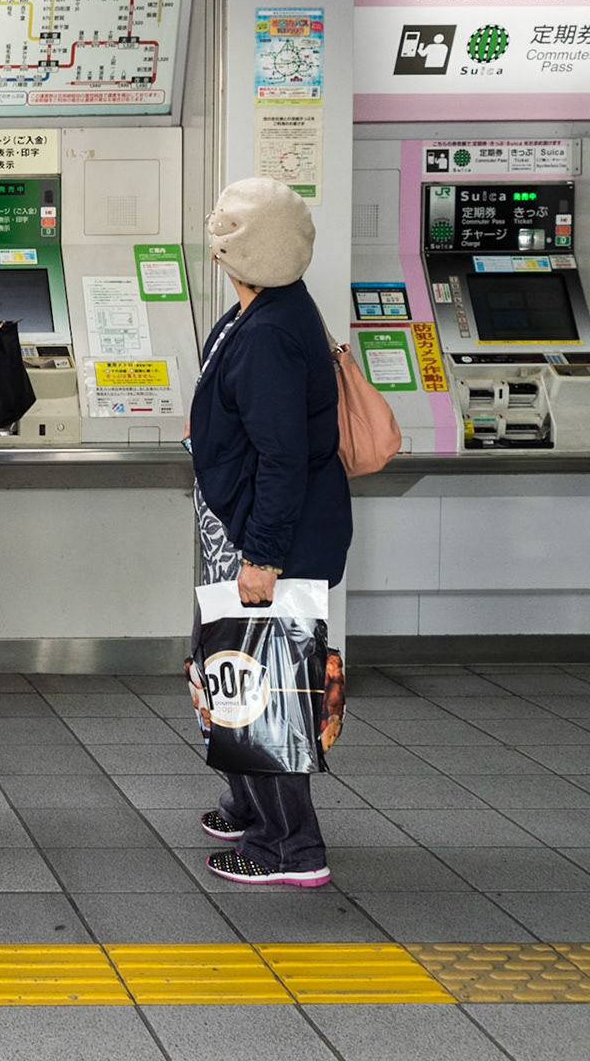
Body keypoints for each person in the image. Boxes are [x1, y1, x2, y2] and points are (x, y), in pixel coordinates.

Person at [191, 176, 351, 887]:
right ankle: (249, 806)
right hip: (251, 530)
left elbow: (283, 459)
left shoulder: (269, 336)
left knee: (267, 689)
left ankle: (288, 847)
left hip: (269, 540)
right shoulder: (275, 307)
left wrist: (261, 558)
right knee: (237, 677)